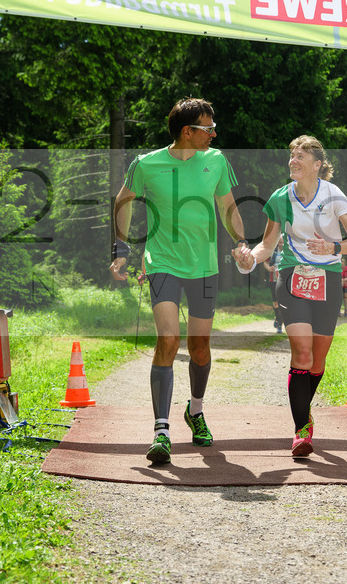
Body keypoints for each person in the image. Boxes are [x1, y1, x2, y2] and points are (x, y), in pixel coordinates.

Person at [110, 97, 251, 465]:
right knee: (169, 340)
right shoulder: (146, 164)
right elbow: (123, 200)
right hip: (163, 263)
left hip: (204, 266)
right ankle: (161, 430)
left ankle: (196, 410)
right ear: (187, 132)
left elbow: (228, 206)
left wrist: (241, 242)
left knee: (200, 347)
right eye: (207, 128)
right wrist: (120, 249)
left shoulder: (216, 160)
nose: (214, 133)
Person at [236, 135, 347, 457]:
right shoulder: (281, 197)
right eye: (291, 155)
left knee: (318, 361)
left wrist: (334, 247)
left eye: (300, 156)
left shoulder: (334, 197)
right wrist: (250, 258)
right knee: (302, 355)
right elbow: (267, 244)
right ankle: (301, 429)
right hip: (293, 277)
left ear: (318, 165)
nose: (293, 160)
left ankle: (303, 411)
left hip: (328, 280)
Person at [263, 238, 285, 333]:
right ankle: (277, 318)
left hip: (285, 279)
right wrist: (269, 268)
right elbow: (265, 262)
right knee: (275, 302)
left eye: (283, 242)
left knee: (282, 302)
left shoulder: (288, 251)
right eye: (279, 242)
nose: (281, 244)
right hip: (273, 279)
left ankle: (280, 324)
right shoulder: (273, 251)